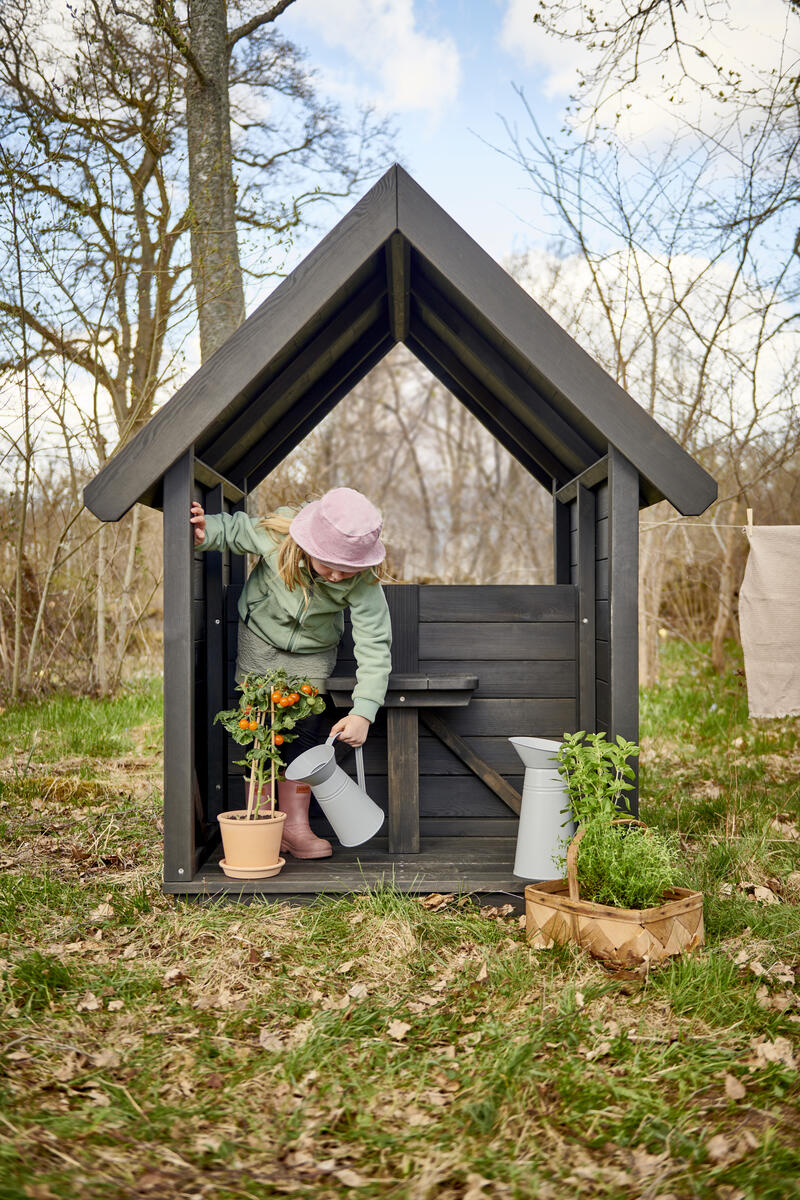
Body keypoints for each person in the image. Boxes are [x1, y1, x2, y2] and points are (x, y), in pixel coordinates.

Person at [190, 487, 392, 859]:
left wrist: (364, 711)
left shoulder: (363, 581)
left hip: (313, 652)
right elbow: (238, 530)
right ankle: (262, 819)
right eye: (329, 563)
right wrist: (207, 531)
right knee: (259, 729)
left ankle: (294, 828)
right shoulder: (281, 535)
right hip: (260, 638)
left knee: (303, 733)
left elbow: (375, 643)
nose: (336, 575)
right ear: (310, 544)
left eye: (347, 567)